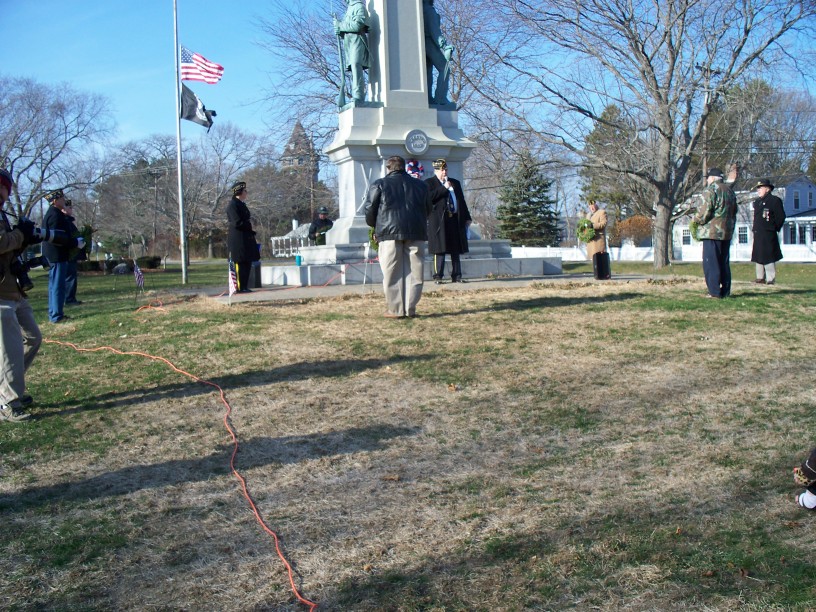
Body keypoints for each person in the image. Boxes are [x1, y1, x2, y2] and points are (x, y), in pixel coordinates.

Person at [364, 155, 432, 318]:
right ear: (404, 167)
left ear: (388, 168)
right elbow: (428, 209)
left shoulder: (379, 184)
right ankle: (410, 308)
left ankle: (395, 310)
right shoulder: (421, 186)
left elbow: (370, 209)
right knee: (415, 272)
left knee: (391, 271)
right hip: (416, 231)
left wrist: (375, 226)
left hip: (389, 232)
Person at [0, 169, 42, 422]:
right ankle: (8, 401)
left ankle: (9, 387)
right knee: (9, 350)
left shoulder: (3, 215)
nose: (3, 193)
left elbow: (10, 247)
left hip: (13, 289)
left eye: (5, 189)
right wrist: (19, 236)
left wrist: (23, 240)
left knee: (33, 338)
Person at [692, 167, 738, 299]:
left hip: (712, 232)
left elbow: (704, 212)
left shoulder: (710, 190)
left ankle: (714, 292)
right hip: (726, 232)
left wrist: (696, 220)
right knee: (723, 262)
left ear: (711, 178)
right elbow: (735, 211)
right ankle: (725, 291)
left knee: (711, 263)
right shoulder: (730, 191)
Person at [426, 159, 471, 283]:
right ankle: (438, 276)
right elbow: (429, 198)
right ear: (436, 170)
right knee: (439, 249)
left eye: (446, 169)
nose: (444, 172)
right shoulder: (429, 183)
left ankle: (457, 275)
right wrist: (444, 188)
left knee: (455, 249)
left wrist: (467, 217)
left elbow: (461, 201)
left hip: (454, 219)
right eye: (442, 170)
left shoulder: (454, 183)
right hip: (439, 222)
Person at [42, 189, 84, 323]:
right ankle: (56, 315)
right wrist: (75, 243)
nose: (63, 201)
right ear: (54, 201)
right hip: (57, 256)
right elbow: (58, 238)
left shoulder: (55, 214)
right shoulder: (55, 215)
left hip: (57, 256)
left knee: (56, 285)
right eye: (61, 199)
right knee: (57, 286)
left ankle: (55, 313)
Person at [226, 181, 260, 293]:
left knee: (247, 262)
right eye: (245, 190)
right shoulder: (233, 205)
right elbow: (236, 222)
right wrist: (248, 225)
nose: (246, 192)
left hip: (246, 238)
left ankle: (244, 286)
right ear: (239, 192)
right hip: (238, 239)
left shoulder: (241, 204)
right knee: (240, 263)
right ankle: (240, 287)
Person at [334, 0, 370, 103]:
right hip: (349, 43)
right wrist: (339, 31)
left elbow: (357, 26)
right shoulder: (349, 8)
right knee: (353, 68)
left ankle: (358, 95)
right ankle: (356, 95)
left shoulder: (359, 6)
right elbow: (347, 29)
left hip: (357, 40)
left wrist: (340, 25)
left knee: (355, 65)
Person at [750, 179, 785, 285]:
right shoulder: (757, 202)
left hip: (768, 233)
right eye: (758, 188)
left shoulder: (774, 200)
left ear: (767, 189)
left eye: (760, 188)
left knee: (768, 255)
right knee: (758, 255)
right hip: (758, 232)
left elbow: (781, 217)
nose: (758, 190)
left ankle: (770, 278)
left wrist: (774, 228)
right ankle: (760, 277)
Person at [423, 0, 455, 106]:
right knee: (445, 68)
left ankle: (427, 98)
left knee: (428, 72)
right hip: (429, 43)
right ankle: (440, 98)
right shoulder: (429, 11)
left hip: (423, 44)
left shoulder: (421, 10)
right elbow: (435, 32)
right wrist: (445, 47)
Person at [63, 199, 85, 305]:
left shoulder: (69, 222)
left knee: (71, 277)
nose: (71, 210)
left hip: (72, 254)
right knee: (69, 277)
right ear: (63, 209)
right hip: (68, 255)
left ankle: (70, 298)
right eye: (69, 207)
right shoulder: (64, 221)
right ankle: (69, 299)